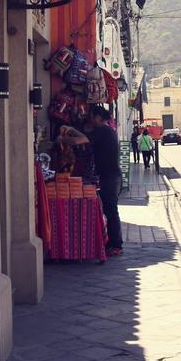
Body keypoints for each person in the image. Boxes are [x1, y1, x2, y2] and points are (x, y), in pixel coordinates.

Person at [56, 106, 123, 257]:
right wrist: (72, 129)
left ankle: (116, 245)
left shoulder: (103, 131)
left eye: (92, 117)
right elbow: (86, 137)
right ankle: (113, 243)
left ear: (98, 118)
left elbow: (79, 141)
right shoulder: (105, 131)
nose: (90, 120)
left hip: (110, 177)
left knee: (111, 210)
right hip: (110, 176)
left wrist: (62, 139)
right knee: (109, 209)